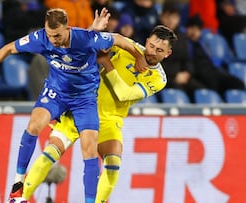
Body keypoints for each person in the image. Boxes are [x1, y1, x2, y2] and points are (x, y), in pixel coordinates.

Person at [0, 8, 148, 203]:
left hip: (84, 99)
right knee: (34, 126)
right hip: (56, 93)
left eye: (57, 35)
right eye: (50, 34)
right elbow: (8, 49)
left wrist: (138, 56)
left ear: (67, 28)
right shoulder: (41, 38)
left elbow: (118, 39)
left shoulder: (86, 39)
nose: (53, 40)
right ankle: (17, 187)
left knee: (89, 149)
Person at [13, 25, 177, 203]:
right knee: (50, 154)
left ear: (168, 53)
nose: (152, 52)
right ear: (146, 42)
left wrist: (106, 62)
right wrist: (101, 47)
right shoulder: (130, 47)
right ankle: (19, 198)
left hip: (110, 118)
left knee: (113, 165)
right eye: (151, 46)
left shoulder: (159, 79)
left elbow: (124, 94)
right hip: (83, 105)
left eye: (159, 50)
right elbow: (98, 41)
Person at [159, 2, 206, 102]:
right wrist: (174, 76)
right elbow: (155, 62)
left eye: (174, 17)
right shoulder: (155, 36)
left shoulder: (182, 36)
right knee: (178, 92)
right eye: (168, 17)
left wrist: (187, 73)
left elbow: (187, 59)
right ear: (162, 17)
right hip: (164, 77)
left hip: (182, 76)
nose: (171, 20)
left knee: (201, 91)